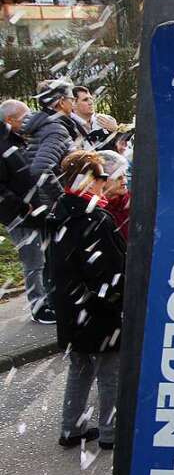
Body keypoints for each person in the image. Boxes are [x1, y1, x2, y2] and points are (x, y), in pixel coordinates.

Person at [47, 150, 126, 450]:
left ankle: (71, 428)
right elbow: (112, 269)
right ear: (89, 180)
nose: (104, 183)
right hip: (98, 308)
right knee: (109, 373)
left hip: (71, 308)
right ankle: (111, 433)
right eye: (101, 177)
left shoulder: (59, 212)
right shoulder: (94, 217)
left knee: (79, 369)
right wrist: (115, 298)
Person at [0, 99, 54, 323]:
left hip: (34, 210)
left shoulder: (15, 139)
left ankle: (48, 301)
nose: (29, 121)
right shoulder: (3, 143)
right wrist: (21, 205)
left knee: (43, 257)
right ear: (9, 120)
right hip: (19, 214)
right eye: (24, 117)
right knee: (34, 261)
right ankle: (39, 307)